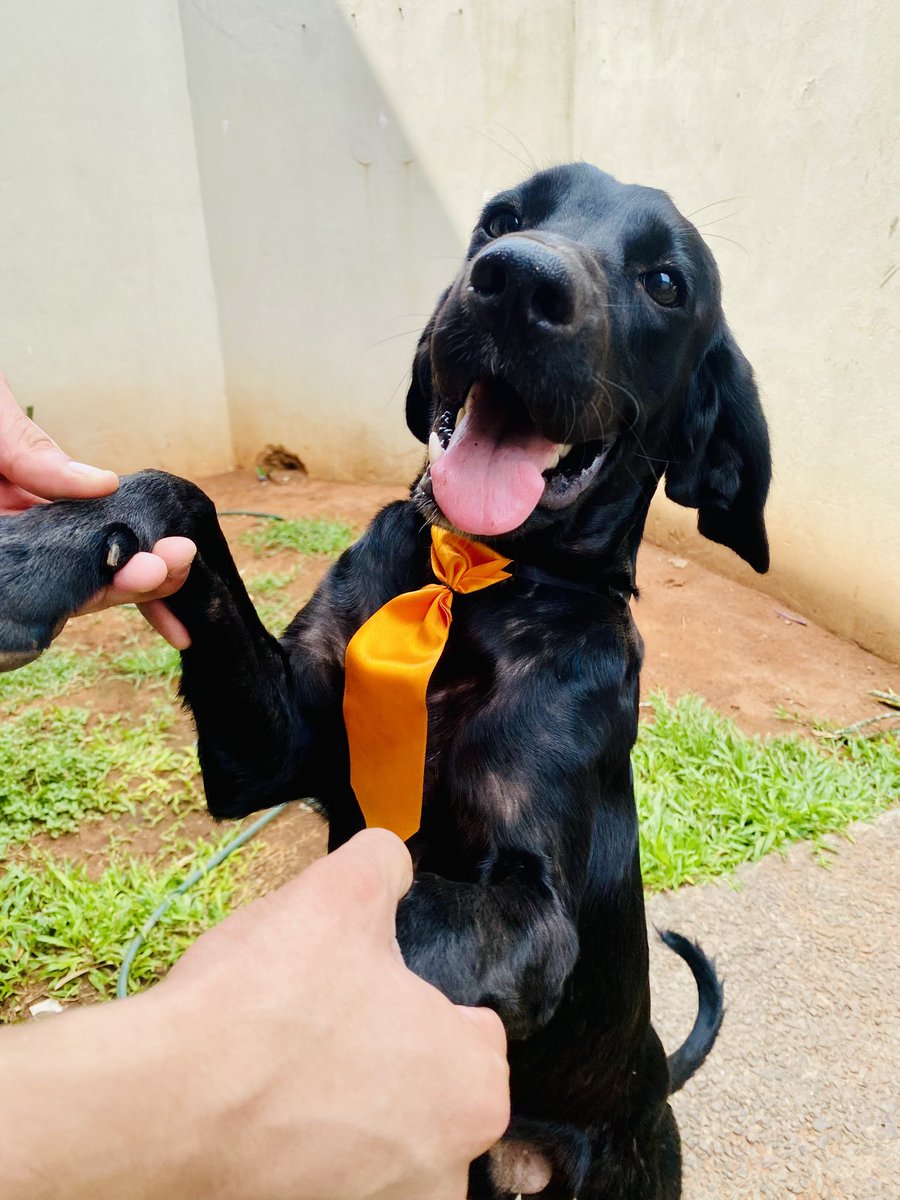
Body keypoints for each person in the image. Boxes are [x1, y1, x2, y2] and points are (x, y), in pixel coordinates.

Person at [0, 374, 509, 1200]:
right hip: (396, 1112)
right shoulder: (392, 556)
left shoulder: (584, 654)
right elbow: (263, 762)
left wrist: (257, 1056)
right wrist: (163, 514)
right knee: (170, 506)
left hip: (558, 1119)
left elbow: (537, 919)